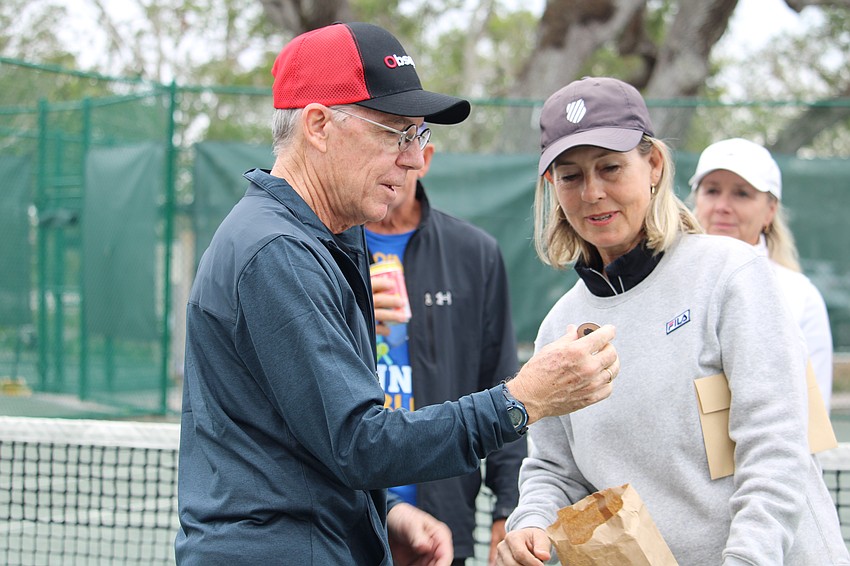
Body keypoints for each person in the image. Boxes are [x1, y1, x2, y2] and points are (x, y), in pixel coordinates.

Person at [176, 23, 621, 566]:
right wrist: (520, 400)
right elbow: (359, 442)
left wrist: (383, 515)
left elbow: (302, 446)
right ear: (318, 125)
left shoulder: (317, 240)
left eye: (420, 136)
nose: (414, 159)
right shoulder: (277, 252)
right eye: (396, 132)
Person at [497, 77, 849, 565]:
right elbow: (554, 468)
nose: (593, 192)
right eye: (571, 176)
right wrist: (532, 521)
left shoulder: (730, 275)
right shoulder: (562, 323)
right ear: (553, 186)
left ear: (654, 165)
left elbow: (775, 447)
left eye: (611, 167)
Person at [366, 132, 526, 565]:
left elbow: (504, 384)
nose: (392, 165)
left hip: (442, 530)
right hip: (345, 524)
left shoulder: (475, 253)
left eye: (403, 150)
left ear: (425, 158)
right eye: (378, 146)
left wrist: (507, 509)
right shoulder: (323, 251)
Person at [689, 138, 834, 412]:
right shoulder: (666, 282)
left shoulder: (800, 296)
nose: (722, 205)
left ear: (770, 210)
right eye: (711, 190)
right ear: (696, 199)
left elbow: (813, 415)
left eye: (741, 194)